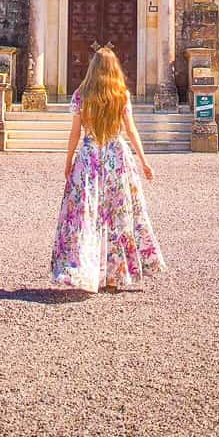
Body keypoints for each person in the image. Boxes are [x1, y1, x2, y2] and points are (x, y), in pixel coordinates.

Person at [48, 46, 167, 293]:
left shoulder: (82, 94)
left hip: (90, 156)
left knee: (86, 215)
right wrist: (144, 161)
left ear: (92, 67)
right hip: (116, 156)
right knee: (117, 214)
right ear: (115, 69)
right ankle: (114, 274)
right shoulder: (120, 94)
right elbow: (131, 131)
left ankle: (85, 268)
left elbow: (75, 133)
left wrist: (68, 160)